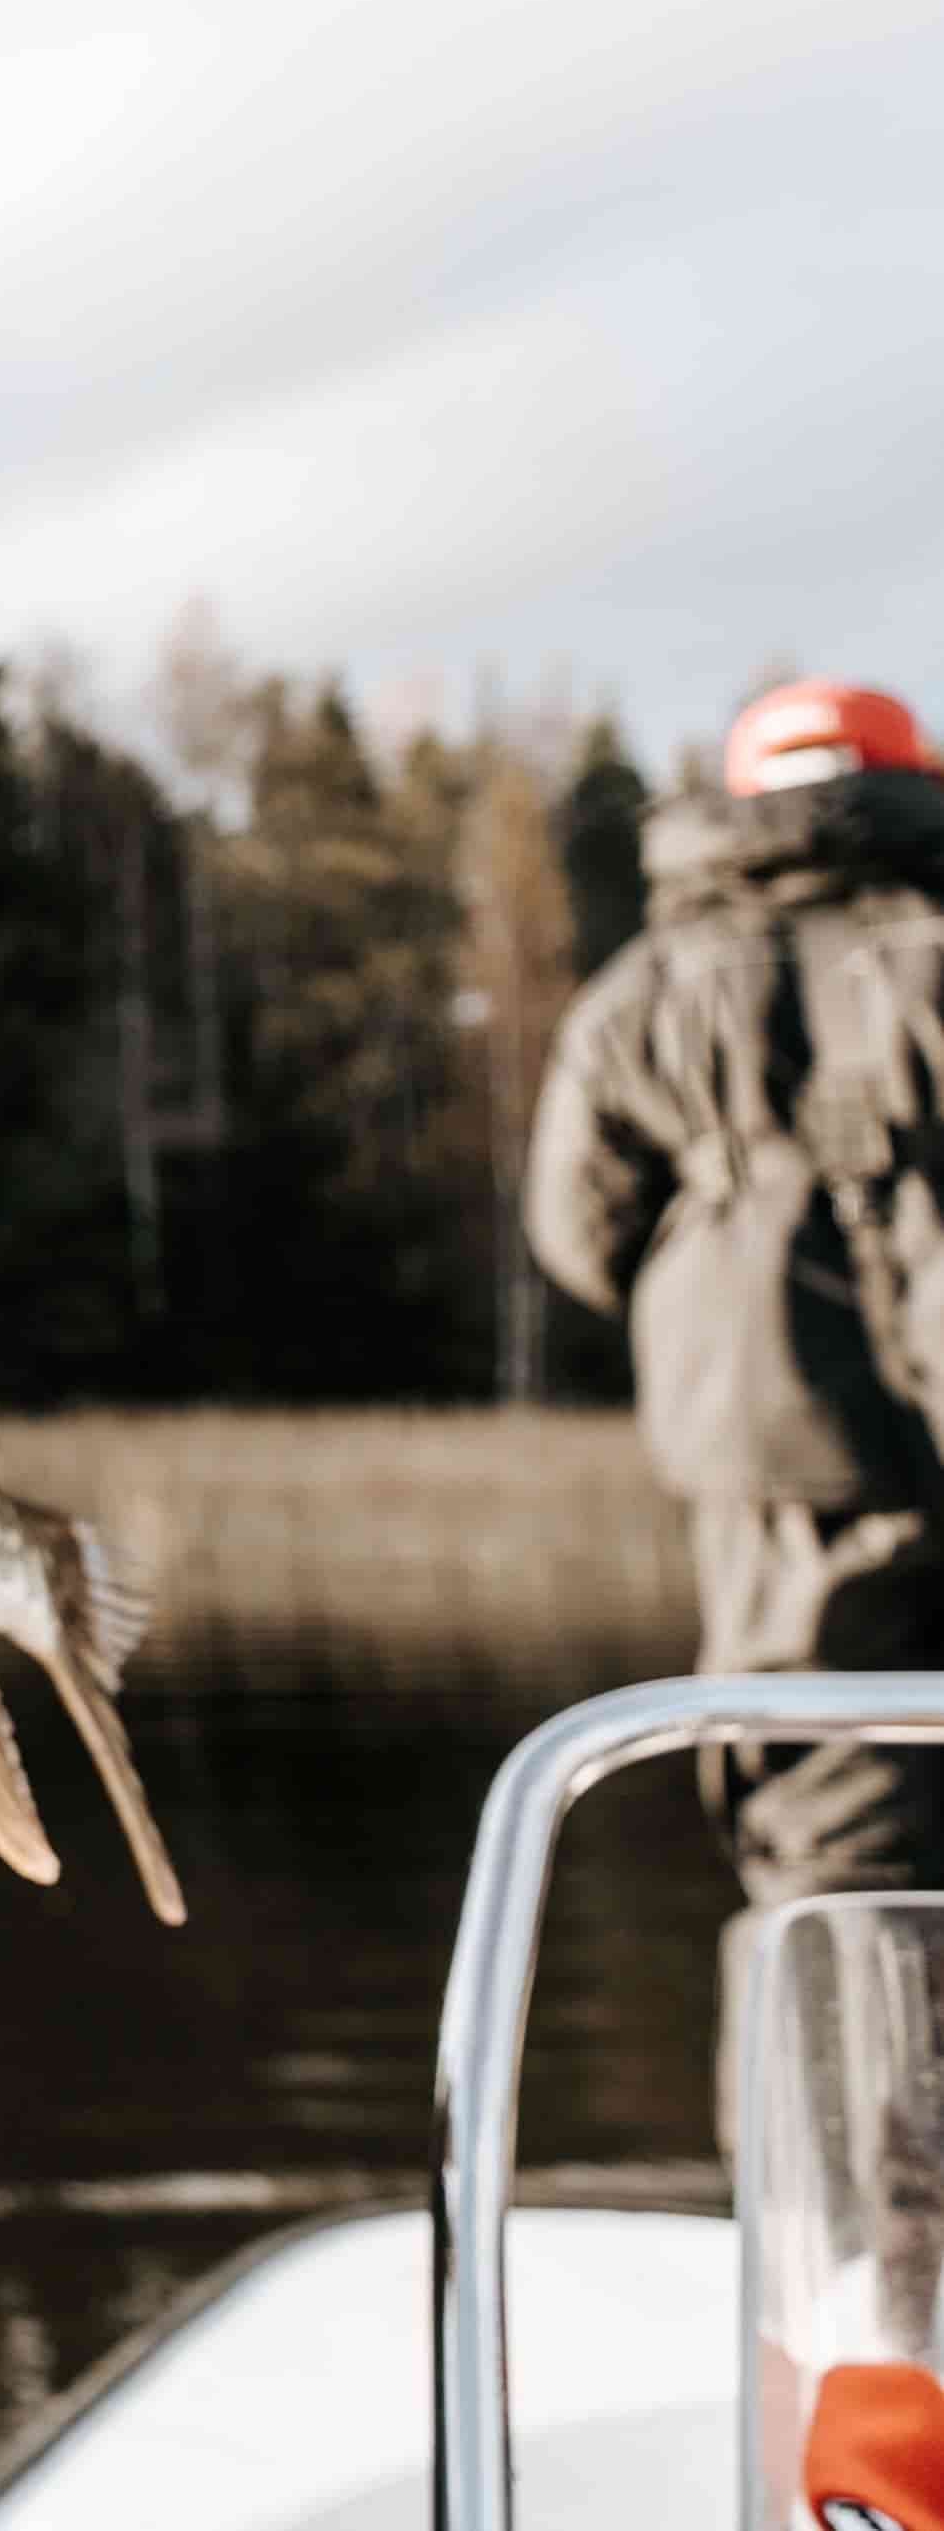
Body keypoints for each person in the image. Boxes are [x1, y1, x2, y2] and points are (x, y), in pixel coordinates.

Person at [525, 677, 944, 2161]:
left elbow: (578, 1235)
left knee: (827, 1873)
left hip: (780, 1493)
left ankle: (848, 2304)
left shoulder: (640, 994)